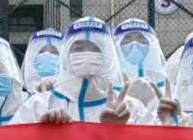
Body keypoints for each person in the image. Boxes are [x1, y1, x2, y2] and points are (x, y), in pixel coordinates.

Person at [14, 17, 155, 125]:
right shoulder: (39, 105)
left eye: (95, 48)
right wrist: (39, 133)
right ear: (65, 55)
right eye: (78, 48)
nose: (87, 53)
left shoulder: (128, 107)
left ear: (108, 56)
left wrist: (120, 132)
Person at [113, 18, 170, 102]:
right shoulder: (109, 85)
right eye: (127, 38)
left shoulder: (165, 84)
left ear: (152, 45)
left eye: (141, 38)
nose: (134, 43)